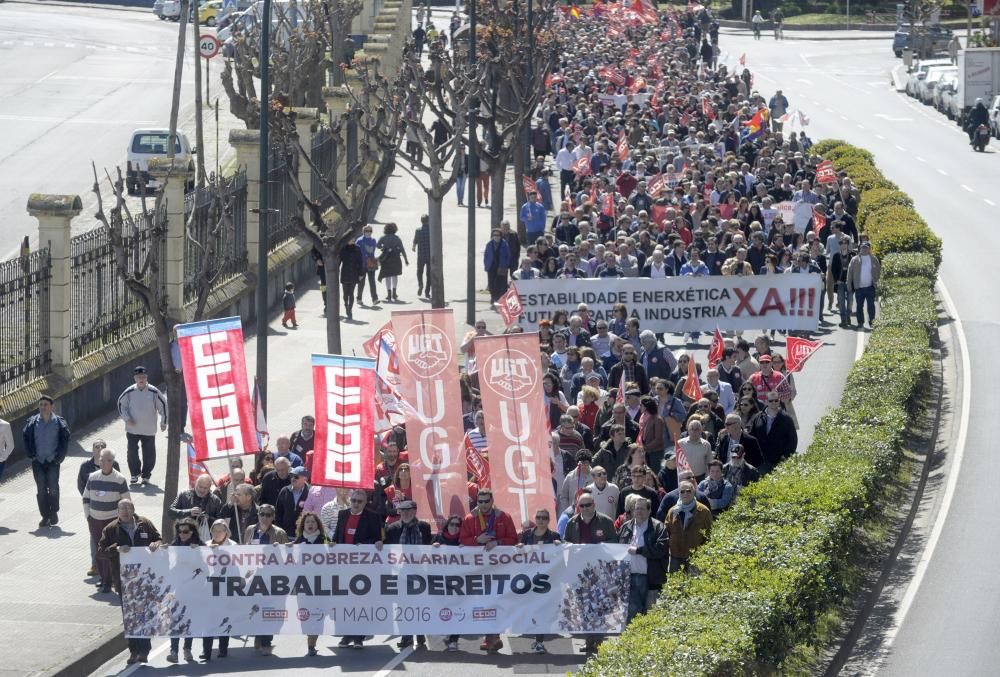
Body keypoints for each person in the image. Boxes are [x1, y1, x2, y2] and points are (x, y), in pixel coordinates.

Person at [99, 499, 161, 663]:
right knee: (130, 617)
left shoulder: (145, 523)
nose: (125, 511)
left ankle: (144, 650)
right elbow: (101, 551)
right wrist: (116, 549)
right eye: (122, 508)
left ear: (133, 509)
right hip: (124, 581)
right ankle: (133, 651)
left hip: (146, 578)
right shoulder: (111, 529)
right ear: (117, 512)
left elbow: (158, 538)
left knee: (144, 615)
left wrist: (156, 543)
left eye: (128, 507)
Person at [460, 488, 518, 653]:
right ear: (477, 502)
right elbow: (462, 541)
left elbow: (513, 539)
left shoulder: (503, 517)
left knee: (496, 601)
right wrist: (476, 540)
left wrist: (498, 542)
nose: (484, 505)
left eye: (486, 501)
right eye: (480, 501)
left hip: (499, 568)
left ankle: (492, 636)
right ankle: (491, 636)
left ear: (492, 501)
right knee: (482, 602)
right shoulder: (470, 518)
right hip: (477, 569)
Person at [335, 488, 384, 648]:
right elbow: (337, 537)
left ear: (365, 502)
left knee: (361, 602)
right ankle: (346, 635)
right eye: (354, 500)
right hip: (344, 566)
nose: (355, 504)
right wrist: (333, 545)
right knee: (345, 602)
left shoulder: (373, 517)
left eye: (359, 501)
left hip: (363, 567)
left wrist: (364, 546)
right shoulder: (342, 515)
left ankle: (358, 637)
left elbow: (377, 540)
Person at [383, 499, 432, 649]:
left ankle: (420, 633)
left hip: (420, 572)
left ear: (414, 511)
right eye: (402, 511)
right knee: (402, 605)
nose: (404, 513)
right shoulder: (392, 528)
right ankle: (406, 636)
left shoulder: (424, 527)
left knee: (419, 604)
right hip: (401, 573)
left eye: (407, 510)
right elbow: (387, 550)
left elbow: (428, 547)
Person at [82, 448, 131, 592]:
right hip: (95, 520)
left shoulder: (119, 479)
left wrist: (124, 519)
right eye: (102, 460)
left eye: (109, 460)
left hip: (112, 521)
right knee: (100, 551)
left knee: (113, 551)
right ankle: (104, 580)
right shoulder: (92, 477)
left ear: (113, 462)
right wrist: (88, 517)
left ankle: (113, 580)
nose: (105, 463)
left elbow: (127, 501)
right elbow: (85, 498)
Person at [244, 503, 288, 655]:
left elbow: (286, 558)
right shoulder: (250, 530)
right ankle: (258, 634)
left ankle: (266, 641)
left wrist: (277, 551)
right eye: (262, 514)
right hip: (254, 577)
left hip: (272, 577)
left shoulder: (279, 533)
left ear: (273, 517)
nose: (264, 517)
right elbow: (243, 553)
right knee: (256, 608)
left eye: (268, 515)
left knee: (269, 609)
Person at [23, 394, 71, 527]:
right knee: (41, 489)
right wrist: (30, 454)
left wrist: (59, 457)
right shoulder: (32, 422)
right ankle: (45, 516)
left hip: (52, 461)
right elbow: (26, 438)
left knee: (53, 488)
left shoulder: (59, 423)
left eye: (46, 405)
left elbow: (65, 440)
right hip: (38, 461)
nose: (43, 407)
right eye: (41, 405)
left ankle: (53, 511)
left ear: (52, 407)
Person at [616, 497, 668, 621]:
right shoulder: (626, 527)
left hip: (651, 578)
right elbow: (616, 547)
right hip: (630, 578)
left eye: (642, 509)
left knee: (651, 615)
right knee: (633, 615)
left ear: (649, 511)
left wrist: (639, 550)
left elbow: (660, 549)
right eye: (636, 509)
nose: (638, 512)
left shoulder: (658, 527)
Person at [518, 507, 561, 654]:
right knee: (531, 610)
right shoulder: (526, 535)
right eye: (538, 517)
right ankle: (535, 637)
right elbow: (519, 553)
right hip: (527, 577)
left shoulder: (554, 536)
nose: (541, 520)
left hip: (545, 579)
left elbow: (561, 555)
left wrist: (558, 546)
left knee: (542, 610)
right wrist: (519, 547)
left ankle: (539, 641)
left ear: (549, 521)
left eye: (544, 518)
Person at [116, 366, 167, 485]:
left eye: (143, 377)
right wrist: (127, 418)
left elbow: (163, 406)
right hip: (132, 428)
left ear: (147, 377)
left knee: (149, 453)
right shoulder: (129, 392)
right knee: (132, 452)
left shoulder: (153, 391)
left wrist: (163, 422)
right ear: (135, 378)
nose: (141, 379)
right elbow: (120, 404)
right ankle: (134, 473)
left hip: (149, 429)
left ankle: (146, 475)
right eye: (139, 377)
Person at [164, 517, 203, 663]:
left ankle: (187, 649)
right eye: (180, 532)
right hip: (178, 589)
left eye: (186, 531)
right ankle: (173, 651)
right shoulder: (174, 545)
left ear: (192, 531)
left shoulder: (200, 545)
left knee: (189, 620)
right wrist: (162, 551)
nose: (182, 535)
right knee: (175, 620)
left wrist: (201, 552)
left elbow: (209, 563)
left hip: (194, 589)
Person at [78, 440, 119, 574]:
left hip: (111, 511)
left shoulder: (115, 465)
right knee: (94, 538)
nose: (99, 448)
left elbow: (118, 484)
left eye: (102, 446)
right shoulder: (85, 466)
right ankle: (95, 565)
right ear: (93, 449)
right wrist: (91, 502)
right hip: (95, 510)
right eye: (97, 446)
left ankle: (112, 568)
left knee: (111, 538)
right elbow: (81, 486)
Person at [292, 512, 329, 656]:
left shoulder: (324, 539)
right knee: (305, 614)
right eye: (307, 522)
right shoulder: (298, 541)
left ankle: (312, 643)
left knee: (318, 614)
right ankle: (309, 636)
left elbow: (333, 555)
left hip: (321, 584)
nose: (310, 524)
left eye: (313, 522)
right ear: (303, 525)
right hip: (303, 584)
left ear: (317, 524)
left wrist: (333, 547)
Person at [201, 519, 236, 659]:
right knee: (208, 620)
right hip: (209, 589)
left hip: (225, 588)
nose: (217, 533)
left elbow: (237, 568)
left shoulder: (234, 546)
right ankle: (207, 651)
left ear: (226, 532)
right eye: (214, 530)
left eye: (220, 530)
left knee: (224, 619)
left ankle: (223, 649)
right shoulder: (205, 545)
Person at [664, 479, 713, 572]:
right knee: (675, 586)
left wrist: (705, 554)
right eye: (682, 491)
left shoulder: (703, 511)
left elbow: (709, 534)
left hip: (695, 557)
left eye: (688, 491)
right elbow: (667, 533)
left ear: (693, 492)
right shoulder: (672, 511)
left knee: (695, 585)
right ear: (679, 494)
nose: (685, 494)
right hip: (676, 557)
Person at [432, 515, 464, 651]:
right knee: (443, 608)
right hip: (440, 580)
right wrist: (433, 547)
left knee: (456, 608)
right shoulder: (438, 538)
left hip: (458, 581)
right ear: (447, 525)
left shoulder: (463, 540)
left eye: (457, 525)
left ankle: (454, 640)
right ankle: (448, 632)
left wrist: (467, 549)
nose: (454, 527)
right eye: (452, 524)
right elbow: (425, 556)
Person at [749, 392, 798, 473]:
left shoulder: (786, 418)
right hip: (761, 460)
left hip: (779, 460)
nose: (774, 403)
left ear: (779, 401)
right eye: (771, 401)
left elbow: (792, 440)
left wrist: (785, 457)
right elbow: (752, 436)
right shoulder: (758, 417)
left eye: (776, 400)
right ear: (766, 402)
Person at [168, 473, 222, 541]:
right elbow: (171, 512)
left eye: (205, 488)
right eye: (200, 487)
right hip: (184, 538)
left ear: (210, 487)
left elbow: (221, 521)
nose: (202, 490)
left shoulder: (216, 500)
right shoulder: (183, 495)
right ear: (196, 484)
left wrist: (208, 519)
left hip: (206, 538)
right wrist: (189, 512)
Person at [846, 241, 880, 329]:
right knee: (859, 306)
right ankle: (860, 323)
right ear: (860, 249)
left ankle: (872, 322)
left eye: (866, 248)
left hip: (870, 287)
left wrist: (878, 285)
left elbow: (878, 273)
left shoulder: (874, 259)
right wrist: (849, 285)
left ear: (869, 249)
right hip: (859, 288)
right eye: (863, 247)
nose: (864, 249)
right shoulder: (855, 260)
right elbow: (849, 273)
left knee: (871, 306)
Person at [377, 222, 409, 302]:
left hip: (386, 258)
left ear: (386, 229)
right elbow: (402, 249)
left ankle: (389, 294)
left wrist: (383, 247)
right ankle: (394, 293)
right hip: (396, 258)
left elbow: (377, 245)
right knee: (395, 276)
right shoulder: (397, 238)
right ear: (395, 229)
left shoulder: (383, 238)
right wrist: (406, 259)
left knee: (387, 276)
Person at [275, 466, 310, 535]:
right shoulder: (284, 491)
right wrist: (280, 531)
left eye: (296, 476)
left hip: (304, 535)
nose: (293, 478)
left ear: (305, 478)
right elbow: (278, 513)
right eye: (291, 475)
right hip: (285, 534)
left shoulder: (310, 492)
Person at [484, 228, 511, 303]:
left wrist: (506, 265)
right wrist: (486, 265)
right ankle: (493, 297)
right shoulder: (489, 244)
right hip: (491, 266)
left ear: (500, 236)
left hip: (502, 266)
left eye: (498, 235)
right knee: (491, 283)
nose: (496, 236)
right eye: (494, 235)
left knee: (501, 283)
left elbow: (508, 256)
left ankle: (500, 298)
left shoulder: (504, 244)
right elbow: (486, 255)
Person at [339, 238, 364, 319]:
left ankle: (350, 310)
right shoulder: (342, 248)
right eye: (351, 238)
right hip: (345, 272)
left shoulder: (357, 248)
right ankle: (346, 305)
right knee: (345, 294)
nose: (352, 240)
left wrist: (361, 273)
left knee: (351, 293)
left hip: (354, 273)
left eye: (353, 238)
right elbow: (339, 260)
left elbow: (360, 262)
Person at [356, 225, 380, 305]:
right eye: (367, 231)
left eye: (370, 231)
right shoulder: (359, 241)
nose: (368, 233)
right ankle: (359, 298)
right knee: (361, 282)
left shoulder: (373, 240)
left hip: (371, 262)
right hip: (361, 263)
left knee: (372, 281)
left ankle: (375, 299)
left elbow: (372, 252)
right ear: (363, 231)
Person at [412, 214, 432, 299]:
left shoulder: (418, 230)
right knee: (429, 274)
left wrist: (413, 247)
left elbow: (415, 241)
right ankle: (427, 292)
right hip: (430, 256)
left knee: (419, 272)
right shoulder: (431, 230)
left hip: (421, 255)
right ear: (428, 221)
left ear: (421, 221)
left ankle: (420, 284)